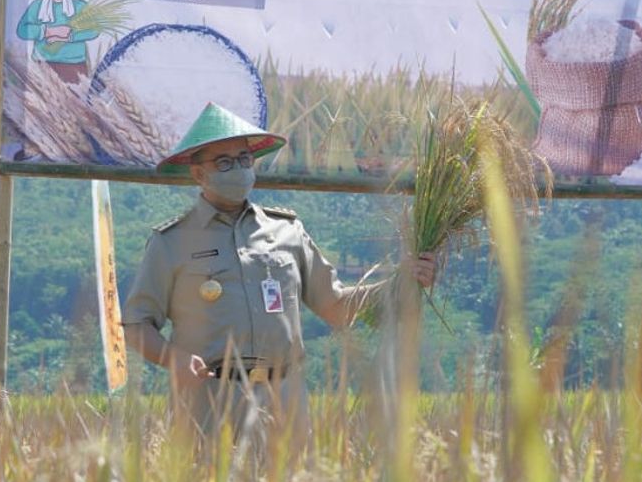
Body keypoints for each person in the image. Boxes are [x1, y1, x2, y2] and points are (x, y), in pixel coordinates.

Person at [122, 103, 436, 445]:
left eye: (243, 159)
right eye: (223, 162)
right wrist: (173, 359)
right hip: (208, 398)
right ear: (199, 174)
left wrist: (401, 280)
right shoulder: (172, 242)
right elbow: (137, 325)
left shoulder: (287, 231)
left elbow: (335, 306)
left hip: (284, 397)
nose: (238, 169)